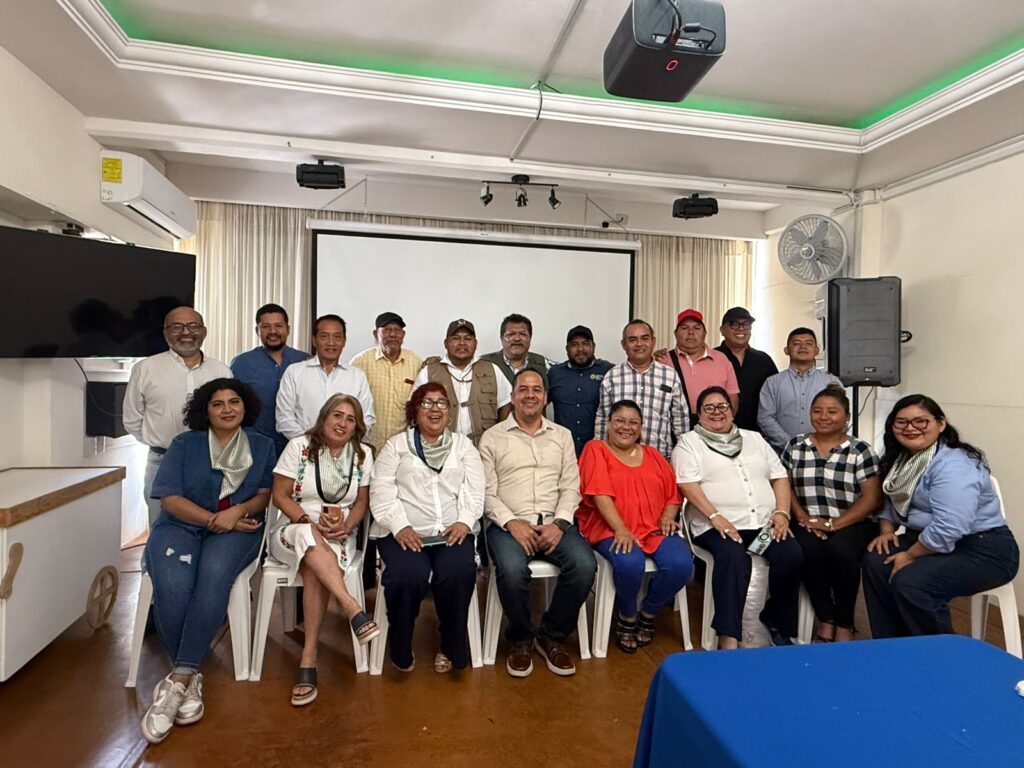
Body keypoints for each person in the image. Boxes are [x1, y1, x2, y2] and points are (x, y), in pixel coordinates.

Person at [141, 378, 275, 744]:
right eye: (218, 404)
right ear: (206, 410)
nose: (227, 409)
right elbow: (169, 499)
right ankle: (188, 676)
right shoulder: (185, 444)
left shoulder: (262, 445)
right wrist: (214, 519)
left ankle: (177, 680)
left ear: (246, 406)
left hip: (238, 529)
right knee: (174, 585)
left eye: (234, 402)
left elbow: (265, 494)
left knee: (213, 577)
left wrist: (239, 511)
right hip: (181, 526)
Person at [862, 395, 1020, 639]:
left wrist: (909, 555)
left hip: (982, 548)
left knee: (912, 582)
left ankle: (942, 654)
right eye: (901, 422)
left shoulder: (954, 464)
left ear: (941, 423)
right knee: (876, 560)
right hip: (927, 541)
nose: (910, 428)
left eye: (921, 421)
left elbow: (951, 527)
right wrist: (886, 531)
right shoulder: (901, 459)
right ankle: (893, 645)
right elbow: (890, 498)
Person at [479, 369, 595, 678]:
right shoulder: (493, 437)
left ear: (545, 397)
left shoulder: (561, 435)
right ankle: (520, 639)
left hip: (555, 522)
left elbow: (571, 486)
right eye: (523, 389)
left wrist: (560, 523)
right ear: (513, 396)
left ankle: (552, 635)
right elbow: (486, 493)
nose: (530, 395)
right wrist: (511, 523)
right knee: (512, 571)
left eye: (537, 390)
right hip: (508, 525)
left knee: (584, 566)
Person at [270, 394, 381, 706]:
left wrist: (347, 526)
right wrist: (307, 521)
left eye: (350, 419)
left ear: (357, 427)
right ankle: (352, 607)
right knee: (308, 538)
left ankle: (309, 658)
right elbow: (280, 495)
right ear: (324, 417)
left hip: (337, 535)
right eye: (337, 415)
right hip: (292, 529)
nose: (342, 423)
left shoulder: (362, 455)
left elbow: (362, 502)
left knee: (314, 566)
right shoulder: (299, 446)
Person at [674, 386, 802, 649]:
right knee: (733, 557)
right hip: (715, 526)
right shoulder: (689, 442)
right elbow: (687, 484)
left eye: (722, 406)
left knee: (790, 554)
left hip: (761, 524)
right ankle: (728, 635)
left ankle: (776, 621)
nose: (717, 412)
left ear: (732, 411)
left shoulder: (754, 438)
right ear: (699, 414)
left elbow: (779, 476)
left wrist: (782, 512)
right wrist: (715, 516)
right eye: (709, 408)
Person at [369, 383, 485, 673]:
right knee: (407, 575)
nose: (435, 409)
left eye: (441, 403)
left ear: (449, 411)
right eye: (427, 403)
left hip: (452, 531)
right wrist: (400, 526)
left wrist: (464, 520)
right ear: (415, 410)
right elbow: (381, 491)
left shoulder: (463, 446)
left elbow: (476, 490)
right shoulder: (396, 446)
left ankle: (451, 645)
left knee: (457, 572)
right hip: (403, 533)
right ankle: (400, 642)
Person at [576, 399, 693, 653]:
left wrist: (668, 516)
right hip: (609, 528)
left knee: (681, 564)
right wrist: (620, 529)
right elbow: (599, 494)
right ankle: (627, 614)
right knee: (630, 563)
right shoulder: (595, 449)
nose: (626, 427)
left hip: (653, 528)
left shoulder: (653, 454)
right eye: (619, 421)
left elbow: (673, 494)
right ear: (608, 424)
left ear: (641, 427)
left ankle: (648, 612)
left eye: (633, 422)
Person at [781, 384, 882, 642]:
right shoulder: (796, 446)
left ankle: (845, 622)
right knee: (805, 549)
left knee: (841, 550)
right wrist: (803, 518)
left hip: (853, 522)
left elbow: (871, 499)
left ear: (846, 416)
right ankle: (826, 617)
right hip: (807, 520)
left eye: (832, 411)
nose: (824, 417)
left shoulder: (860, 450)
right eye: (817, 411)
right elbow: (784, 486)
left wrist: (833, 525)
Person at [123, 306, 231, 526]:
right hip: (161, 462)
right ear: (165, 333)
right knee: (160, 527)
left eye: (193, 326)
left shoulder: (221, 371)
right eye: (177, 327)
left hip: (210, 463)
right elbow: (132, 419)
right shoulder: (145, 368)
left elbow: (229, 418)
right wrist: (162, 443)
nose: (186, 332)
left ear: (204, 331)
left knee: (209, 525)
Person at [595, 319, 689, 461]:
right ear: (623, 344)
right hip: (618, 459)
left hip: (659, 458)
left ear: (653, 341)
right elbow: (603, 419)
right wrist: (599, 455)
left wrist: (684, 456)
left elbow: (680, 419)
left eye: (645, 338)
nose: (639, 344)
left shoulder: (669, 375)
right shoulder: (612, 376)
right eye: (632, 340)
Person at [276, 314, 376, 442]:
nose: (331, 342)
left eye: (337, 337)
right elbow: (284, 418)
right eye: (324, 336)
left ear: (344, 341)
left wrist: (342, 444)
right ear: (314, 340)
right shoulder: (294, 372)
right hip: (304, 449)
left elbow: (367, 419)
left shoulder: (357, 376)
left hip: (346, 449)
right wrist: (311, 443)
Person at [413, 318, 512, 446]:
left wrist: (498, 436)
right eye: (455, 338)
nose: (462, 343)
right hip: (439, 448)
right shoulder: (429, 371)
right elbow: (414, 408)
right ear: (446, 343)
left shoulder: (492, 370)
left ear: (475, 344)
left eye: (468, 338)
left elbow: (506, 403)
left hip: (484, 448)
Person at [230, 303, 308, 457]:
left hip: (298, 446)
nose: (273, 331)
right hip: (254, 446)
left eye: (279, 325)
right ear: (257, 330)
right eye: (266, 326)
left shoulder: (305, 361)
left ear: (288, 329)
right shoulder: (241, 363)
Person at [349, 311, 423, 456]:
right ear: (375, 334)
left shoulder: (415, 363)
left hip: (402, 449)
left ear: (403, 335)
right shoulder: (359, 363)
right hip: (366, 446)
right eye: (387, 330)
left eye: (397, 330)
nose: (393, 334)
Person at [758, 327, 841, 452]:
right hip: (782, 452)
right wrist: (790, 444)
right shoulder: (772, 383)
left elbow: (840, 416)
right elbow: (765, 418)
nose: (803, 347)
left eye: (808, 343)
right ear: (786, 350)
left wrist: (823, 442)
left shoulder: (831, 382)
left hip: (823, 451)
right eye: (796, 343)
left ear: (817, 350)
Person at [547, 325, 614, 456]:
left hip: (599, 449)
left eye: (585, 344)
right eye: (574, 344)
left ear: (593, 346)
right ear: (567, 349)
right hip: (561, 449)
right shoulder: (554, 373)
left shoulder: (608, 371)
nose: (580, 349)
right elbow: (540, 405)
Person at [656, 308, 739, 415]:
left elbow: (732, 398)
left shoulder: (721, 359)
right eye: (684, 328)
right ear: (675, 333)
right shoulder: (663, 361)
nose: (691, 332)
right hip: (675, 424)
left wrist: (723, 422)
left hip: (714, 422)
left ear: (705, 333)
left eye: (696, 328)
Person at [715, 307, 778, 432]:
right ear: (722, 330)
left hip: (757, 433)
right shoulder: (712, 358)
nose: (741, 328)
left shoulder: (763, 360)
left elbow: (776, 396)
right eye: (734, 324)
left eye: (746, 324)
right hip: (719, 431)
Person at [480, 313, 551, 390]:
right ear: (502, 338)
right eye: (511, 334)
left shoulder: (544, 364)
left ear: (530, 337)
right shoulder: (482, 363)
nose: (517, 338)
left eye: (523, 334)